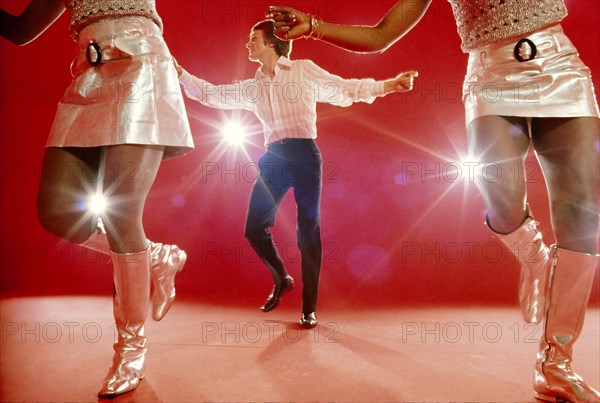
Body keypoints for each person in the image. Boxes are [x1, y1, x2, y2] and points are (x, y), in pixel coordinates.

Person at [267, 1, 600, 401]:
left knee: (583, 218)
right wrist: (315, 27)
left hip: (561, 67)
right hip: (491, 78)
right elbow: (380, 35)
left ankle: (555, 364)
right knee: (503, 203)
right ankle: (534, 259)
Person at [1, 0, 193, 397]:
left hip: (143, 69)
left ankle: (131, 351)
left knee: (123, 211)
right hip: (89, 78)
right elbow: (21, 31)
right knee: (56, 212)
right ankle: (156, 256)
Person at [176, 20, 417, 328]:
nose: (248, 44)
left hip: (304, 155)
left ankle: (309, 308)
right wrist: (180, 73)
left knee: (308, 233)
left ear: (272, 42)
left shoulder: (303, 70)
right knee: (253, 228)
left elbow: (344, 88)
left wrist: (388, 84)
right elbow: (211, 94)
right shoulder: (254, 86)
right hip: (274, 159)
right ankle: (282, 279)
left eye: (253, 38)